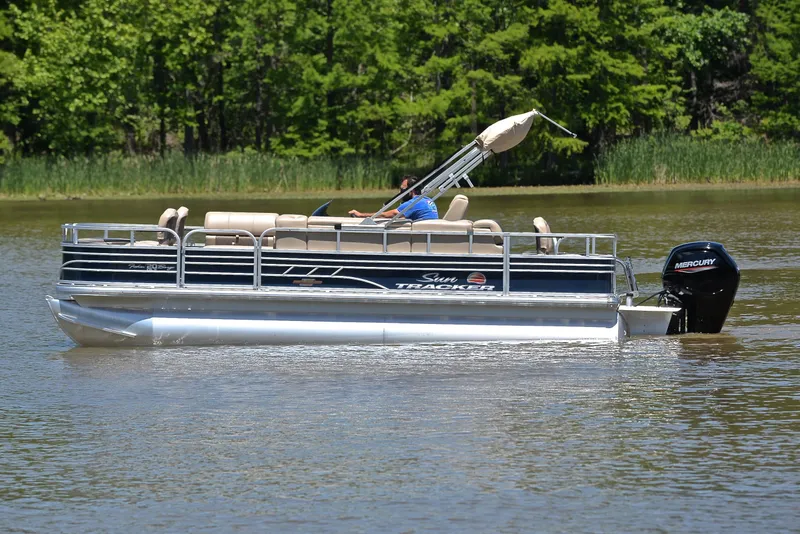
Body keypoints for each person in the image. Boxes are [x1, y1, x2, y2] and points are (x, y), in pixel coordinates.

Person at [348, 175, 438, 221]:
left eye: (402, 189)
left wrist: (360, 215)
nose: (400, 193)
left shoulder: (413, 203)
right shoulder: (428, 200)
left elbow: (386, 215)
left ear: (411, 190)